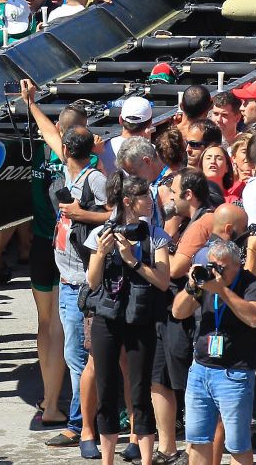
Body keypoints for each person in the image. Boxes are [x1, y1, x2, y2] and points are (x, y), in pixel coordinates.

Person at [84, 171, 171, 465]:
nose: (151, 200)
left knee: (140, 390)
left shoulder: (154, 236)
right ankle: (107, 460)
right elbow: (93, 282)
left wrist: (132, 260)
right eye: (146, 196)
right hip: (107, 318)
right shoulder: (102, 233)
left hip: (141, 318)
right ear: (129, 201)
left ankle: (146, 459)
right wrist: (101, 254)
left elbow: (162, 281)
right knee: (106, 390)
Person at [174, 237, 256, 465]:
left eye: (221, 267)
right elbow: (178, 312)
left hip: (234, 375)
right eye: (211, 265)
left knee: (237, 444)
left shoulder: (250, 284)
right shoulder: (207, 282)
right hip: (201, 371)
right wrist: (192, 286)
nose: (216, 272)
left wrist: (222, 291)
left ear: (237, 264)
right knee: (197, 440)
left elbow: (254, 318)